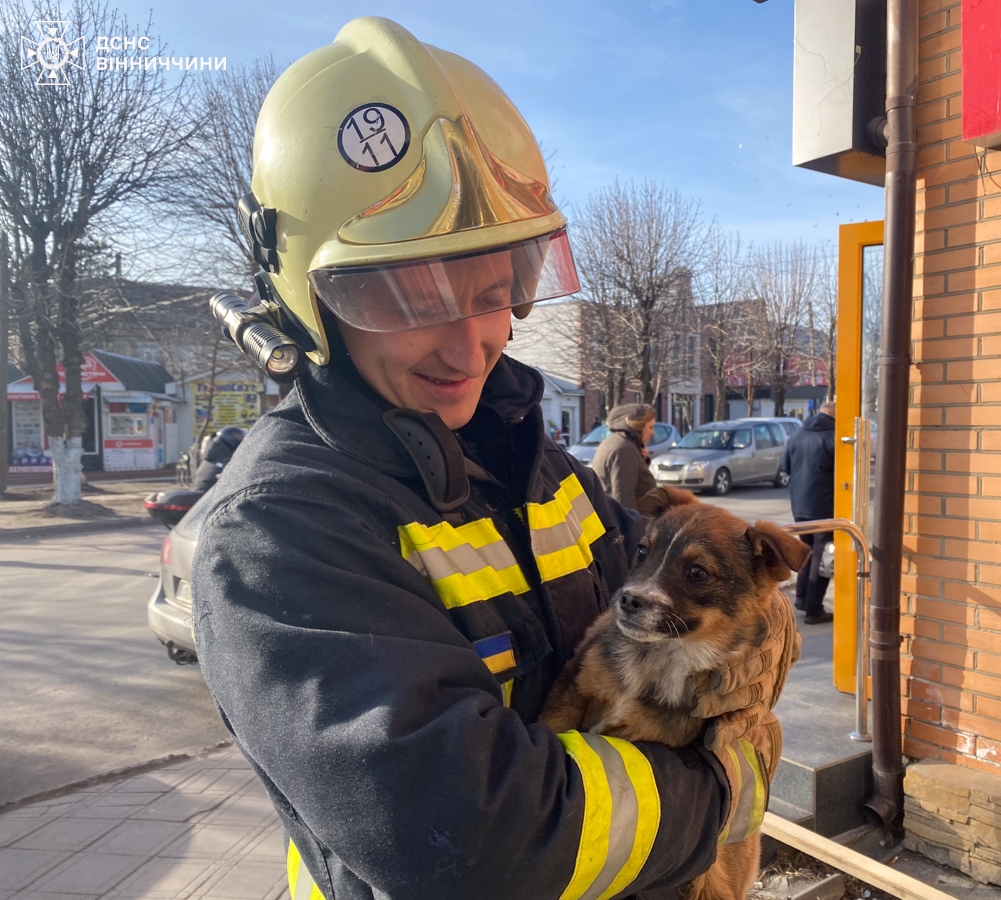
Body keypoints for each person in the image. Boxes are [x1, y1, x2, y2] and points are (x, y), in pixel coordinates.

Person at [191, 18, 798, 900]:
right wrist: (719, 794)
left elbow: (701, 590)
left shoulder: (538, 466)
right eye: (408, 296)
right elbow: (470, 840)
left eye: (494, 290)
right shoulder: (283, 529)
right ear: (308, 299)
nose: (471, 344)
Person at [781, 400, 836, 624]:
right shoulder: (834, 436)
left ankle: (802, 598)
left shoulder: (797, 435)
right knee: (822, 557)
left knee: (808, 551)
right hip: (824, 506)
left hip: (800, 507)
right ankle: (814, 610)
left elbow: (785, 467)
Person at [591, 403, 658, 509]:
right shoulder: (625, 451)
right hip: (627, 522)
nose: (652, 433)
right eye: (650, 427)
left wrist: (641, 461)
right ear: (638, 426)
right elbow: (624, 502)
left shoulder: (614, 442)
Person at [190, 426, 245, 492]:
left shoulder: (214, 457)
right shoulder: (223, 461)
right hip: (209, 497)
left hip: (206, 495)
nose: (240, 438)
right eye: (237, 437)